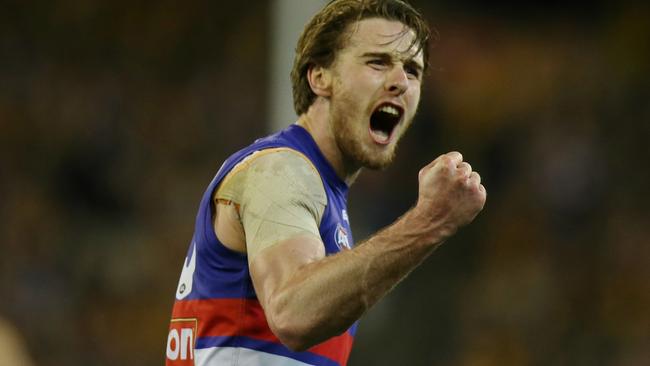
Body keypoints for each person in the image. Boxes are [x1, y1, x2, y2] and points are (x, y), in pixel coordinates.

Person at [166, 0, 486, 365]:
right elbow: (293, 315)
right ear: (320, 77)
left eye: (413, 70)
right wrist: (430, 220)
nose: (400, 82)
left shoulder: (323, 195)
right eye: (377, 62)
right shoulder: (280, 170)